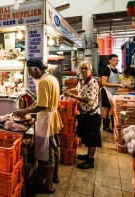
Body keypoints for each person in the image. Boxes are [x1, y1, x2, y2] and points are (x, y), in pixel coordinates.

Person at [13, 59, 62, 194]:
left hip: (47, 121)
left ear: (36, 69)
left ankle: (48, 185)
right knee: (54, 148)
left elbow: (42, 106)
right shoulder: (52, 78)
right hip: (53, 118)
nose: (29, 74)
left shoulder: (44, 82)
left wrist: (24, 111)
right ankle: (55, 177)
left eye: (30, 71)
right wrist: (28, 109)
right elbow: (40, 102)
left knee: (48, 154)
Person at [64, 61, 101, 169]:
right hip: (84, 114)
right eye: (82, 68)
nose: (84, 70)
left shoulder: (92, 82)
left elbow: (88, 99)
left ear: (90, 70)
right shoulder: (81, 81)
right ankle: (87, 156)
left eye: (86, 68)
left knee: (92, 138)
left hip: (92, 114)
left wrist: (72, 96)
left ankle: (90, 161)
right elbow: (79, 91)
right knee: (86, 136)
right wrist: (69, 91)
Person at [101, 54, 125, 133]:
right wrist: (117, 85)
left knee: (113, 108)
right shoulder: (106, 70)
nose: (116, 62)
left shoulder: (117, 70)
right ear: (109, 60)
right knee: (107, 108)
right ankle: (105, 126)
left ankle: (114, 125)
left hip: (114, 92)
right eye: (114, 60)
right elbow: (104, 83)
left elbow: (115, 80)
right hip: (107, 91)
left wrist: (123, 84)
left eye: (117, 60)